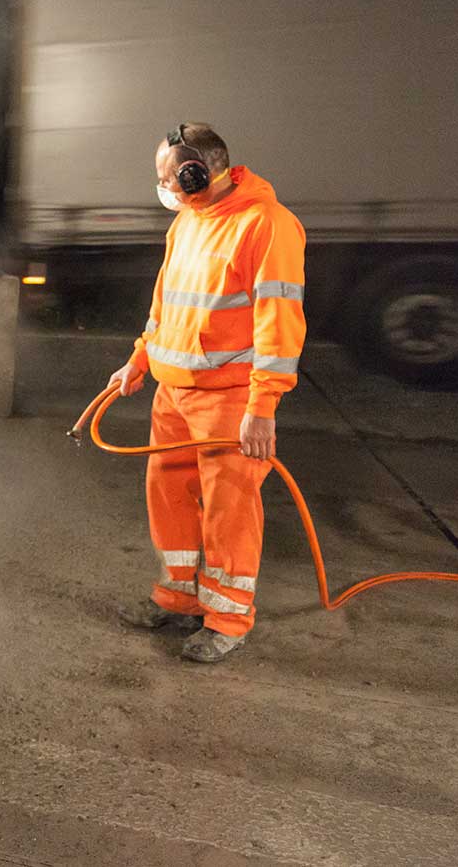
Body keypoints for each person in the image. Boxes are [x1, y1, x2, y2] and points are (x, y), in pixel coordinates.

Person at [107, 122, 306, 663]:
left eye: (167, 177)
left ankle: (227, 620)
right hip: (172, 395)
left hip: (229, 399)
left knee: (229, 512)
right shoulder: (189, 223)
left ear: (196, 173)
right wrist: (139, 359)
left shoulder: (267, 225)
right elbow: (165, 303)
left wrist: (262, 407)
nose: (162, 187)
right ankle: (180, 599)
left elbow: (279, 324)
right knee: (169, 500)